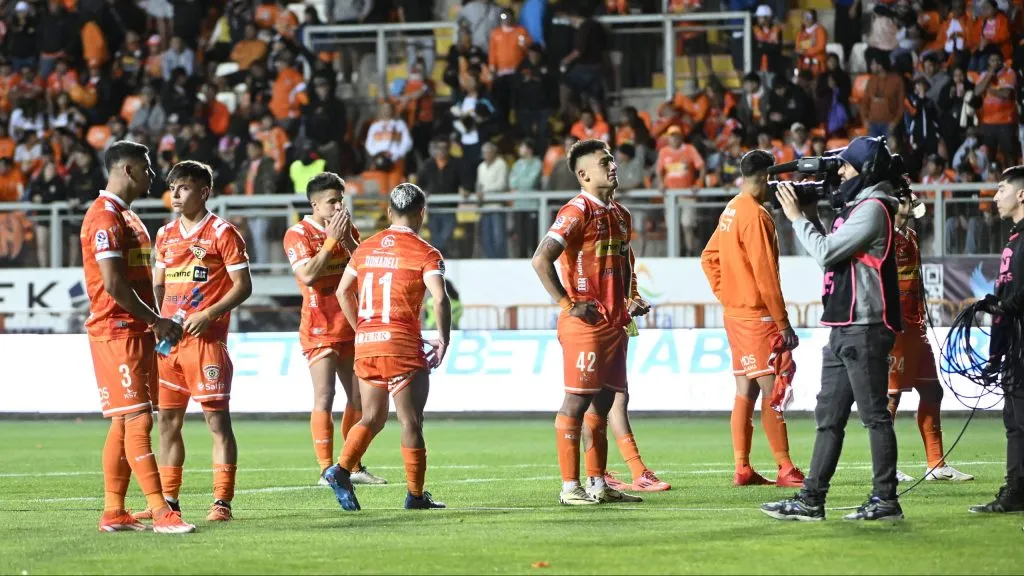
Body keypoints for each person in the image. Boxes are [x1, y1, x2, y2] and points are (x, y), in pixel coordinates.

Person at [762, 136, 903, 521]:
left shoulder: (873, 208)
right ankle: (812, 500)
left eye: (846, 165)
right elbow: (831, 252)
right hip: (845, 325)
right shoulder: (859, 207)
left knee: (874, 416)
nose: (839, 171)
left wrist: (797, 218)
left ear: (865, 170)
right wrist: (808, 215)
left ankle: (886, 500)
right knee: (828, 418)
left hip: (864, 326)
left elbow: (826, 252)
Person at [81, 141, 195, 534]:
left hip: (136, 330)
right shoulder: (104, 217)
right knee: (139, 419)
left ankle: (114, 511)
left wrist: (156, 321)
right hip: (116, 331)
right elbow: (113, 284)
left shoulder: (128, 217)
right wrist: (156, 320)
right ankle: (161, 511)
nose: (152, 175)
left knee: (123, 423)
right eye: (147, 168)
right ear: (128, 170)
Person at [323, 183, 452, 511]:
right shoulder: (426, 253)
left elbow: (342, 292)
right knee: (411, 422)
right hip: (402, 346)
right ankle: (416, 495)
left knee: (371, 417)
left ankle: (340, 469)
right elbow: (440, 298)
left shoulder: (365, 248)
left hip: (367, 345)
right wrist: (444, 339)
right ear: (421, 213)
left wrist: (362, 330)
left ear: (389, 212)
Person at [530, 139, 642, 506]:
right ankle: (569, 488)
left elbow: (626, 262)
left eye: (612, 160)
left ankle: (598, 484)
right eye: (604, 162)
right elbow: (541, 259)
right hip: (586, 324)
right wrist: (568, 303)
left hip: (614, 323)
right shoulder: (576, 210)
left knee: (603, 405)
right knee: (576, 403)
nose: (613, 166)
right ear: (584, 174)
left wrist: (632, 297)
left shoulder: (621, 214)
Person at [152, 161, 253, 522]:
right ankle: (169, 502)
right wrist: (158, 319)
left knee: (217, 423)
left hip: (206, 342)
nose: (176, 195)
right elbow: (159, 283)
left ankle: (222, 502)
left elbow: (244, 286)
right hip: (170, 345)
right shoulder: (164, 234)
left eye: (183, 188)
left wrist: (209, 314)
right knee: (167, 422)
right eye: (172, 188)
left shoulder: (223, 233)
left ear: (204, 192)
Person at [701, 150, 805, 488]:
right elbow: (766, 275)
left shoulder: (732, 208)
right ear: (765, 177)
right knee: (773, 390)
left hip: (736, 314)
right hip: (757, 318)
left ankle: (743, 467)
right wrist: (783, 322)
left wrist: (729, 294)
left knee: (745, 390)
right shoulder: (756, 215)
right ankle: (785, 467)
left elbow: (708, 257)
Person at [283, 172, 387, 486]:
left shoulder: (346, 229)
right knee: (325, 395)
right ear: (314, 204)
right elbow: (309, 276)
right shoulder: (297, 234)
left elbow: (365, 266)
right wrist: (331, 241)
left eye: (340, 200)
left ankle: (350, 466)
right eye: (332, 201)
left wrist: (348, 240)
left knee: (358, 399)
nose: (338, 206)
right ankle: (326, 470)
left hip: (350, 324)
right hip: (319, 326)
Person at [887, 191, 974, 483]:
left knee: (932, 391)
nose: (912, 204)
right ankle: (885, 467)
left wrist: (921, 316)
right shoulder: (883, 237)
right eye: (906, 199)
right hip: (894, 330)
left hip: (916, 328)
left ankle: (936, 465)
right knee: (891, 397)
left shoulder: (910, 235)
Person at [972, 166, 1024, 513]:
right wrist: (996, 354)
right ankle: (1017, 491)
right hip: (1014, 346)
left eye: (1001, 189)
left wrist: (1003, 305)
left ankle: (1016, 492)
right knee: (1015, 422)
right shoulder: (1014, 239)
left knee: (1019, 422)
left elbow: (1015, 299)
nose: (995, 197)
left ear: (1021, 195)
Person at [600, 244, 671, 493]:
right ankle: (615, 473)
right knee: (595, 398)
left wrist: (633, 299)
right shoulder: (590, 232)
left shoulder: (619, 229)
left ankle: (602, 473)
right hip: (596, 323)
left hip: (617, 321)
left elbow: (626, 277)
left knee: (616, 395)